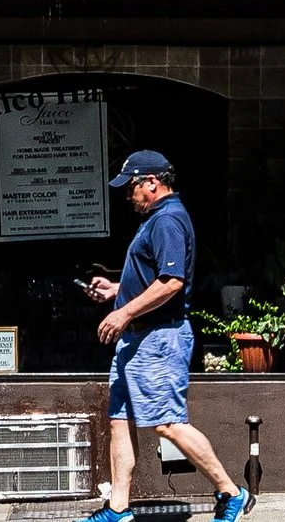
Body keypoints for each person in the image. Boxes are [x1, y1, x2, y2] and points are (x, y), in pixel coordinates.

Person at [82, 150, 249, 522]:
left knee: (168, 423)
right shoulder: (157, 218)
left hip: (158, 339)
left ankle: (231, 492)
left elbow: (172, 282)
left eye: (131, 187)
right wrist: (116, 290)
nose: (128, 195)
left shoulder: (168, 220)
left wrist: (124, 312)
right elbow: (152, 276)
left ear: (152, 183)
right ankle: (118, 510)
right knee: (119, 419)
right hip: (137, 340)